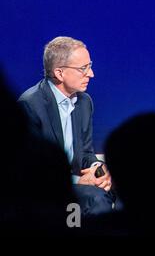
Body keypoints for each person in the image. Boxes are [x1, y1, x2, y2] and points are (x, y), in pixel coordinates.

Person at [18, 36, 114, 216]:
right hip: (42, 190)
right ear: (60, 73)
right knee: (97, 198)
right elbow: (31, 172)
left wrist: (98, 171)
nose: (91, 74)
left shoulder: (84, 102)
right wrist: (79, 181)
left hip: (77, 185)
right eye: (83, 68)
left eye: (90, 66)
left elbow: (85, 153)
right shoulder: (30, 105)